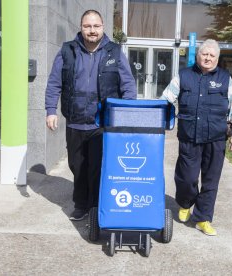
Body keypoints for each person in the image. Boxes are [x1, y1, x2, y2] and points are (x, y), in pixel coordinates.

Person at [45, 10, 137, 221]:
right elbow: (54, 82)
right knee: (77, 166)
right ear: (81, 27)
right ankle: (81, 203)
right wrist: (51, 110)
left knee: (97, 167)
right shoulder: (67, 50)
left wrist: (126, 115)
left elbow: (128, 85)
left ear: (102, 27)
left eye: (96, 26)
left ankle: (93, 206)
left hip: (102, 123)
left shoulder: (114, 52)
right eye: (87, 26)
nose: (92, 30)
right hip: (75, 121)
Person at [160, 39, 232, 236]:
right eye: (204, 54)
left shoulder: (225, 78)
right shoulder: (184, 76)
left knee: (211, 181)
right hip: (189, 136)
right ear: (197, 56)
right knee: (186, 178)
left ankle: (203, 219)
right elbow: (165, 100)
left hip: (215, 138)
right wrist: (157, 119)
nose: (207, 58)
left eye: (212, 55)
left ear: (217, 58)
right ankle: (186, 203)